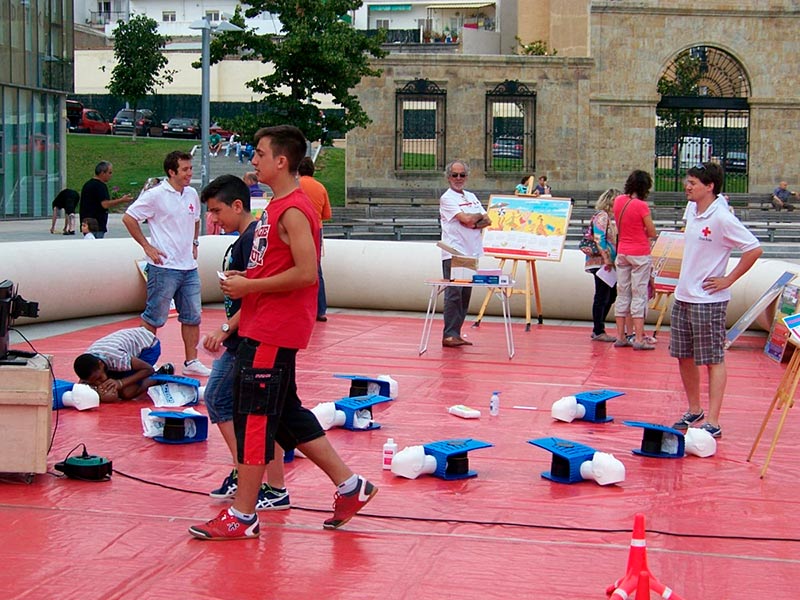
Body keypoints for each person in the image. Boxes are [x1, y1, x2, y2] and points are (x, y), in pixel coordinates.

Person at [188, 125, 377, 541]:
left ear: (281, 161)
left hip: (273, 332)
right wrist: (248, 279)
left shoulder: (293, 209)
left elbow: (307, 273)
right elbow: (277, 267)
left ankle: (243, 514)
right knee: (286, 416)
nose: (252, 160)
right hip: (262, 325)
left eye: (258, 153)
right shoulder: (274, 207)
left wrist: (249, 286)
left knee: (253, 419)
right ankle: (351, 486)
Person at [200, 174, 290, 510]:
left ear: (238, 205)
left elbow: (259, 292)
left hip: (250, 338)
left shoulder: (253, 239)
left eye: (217, 210)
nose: (214, 219)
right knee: (272, 412)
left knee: (223, 400)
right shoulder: (250, 237)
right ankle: (267, 481)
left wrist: (225, 329)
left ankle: (251, 474)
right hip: (251, 335)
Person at [670, 162, 762, 438]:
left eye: (694, 183)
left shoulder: (722, 218)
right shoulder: (692, 209)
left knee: (712, 359)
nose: (688, 186)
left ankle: (713, 419)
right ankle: (694, 407)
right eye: (688, 181)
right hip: (684, 294)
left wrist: (728, 279)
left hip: (708, 300)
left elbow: (754, 249)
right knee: (683, 355)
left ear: (710, 187)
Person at [122, 150, 212, 377]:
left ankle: (191, 361)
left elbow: (196, 220)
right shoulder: (156, 195)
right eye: (185, 170)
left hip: (188, 267)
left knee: (193, 315)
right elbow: (129, 217)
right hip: (164, 267)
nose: (189, 173)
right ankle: (144, 362)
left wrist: (194, 242)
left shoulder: (191, 194)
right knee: (154, 316)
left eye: (190, 168)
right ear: (172, 172)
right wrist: (147, 246)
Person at [439, 160, 492, 348]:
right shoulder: (447, 198)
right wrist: (473, 219)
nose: (458, 178)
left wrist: (472, 220)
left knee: (464, 295)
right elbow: (466, 218)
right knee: (454, 294)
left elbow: (487, 220)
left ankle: (457, 332)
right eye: (455, 175)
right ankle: (449, 334)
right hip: (455, 252)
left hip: (472, 252)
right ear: (448, 177)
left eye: (462, 175)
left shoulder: (471, 195)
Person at [613, 170, 657, 351]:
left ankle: (621, 336)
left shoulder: (618, 201)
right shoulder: (641, 206)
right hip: (639, 252)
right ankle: (639, 338)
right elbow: (652, 231)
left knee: (622, 294)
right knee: (639, 295)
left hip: (622, 251)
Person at [72, 326, 172, 402]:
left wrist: (121, 383)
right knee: (109, 384)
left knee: (127, 393)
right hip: (121, 350)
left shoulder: (117, 358)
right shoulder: (89, 363)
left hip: (149, 346)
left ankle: (159, 376)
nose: (98, 383)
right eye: (93, 381)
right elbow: (82, 383)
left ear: (100, 364)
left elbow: (148, 369)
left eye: (98, 378)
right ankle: (132, 370)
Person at [298, 156, 332, 322]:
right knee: (316, 269)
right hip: (316, 229)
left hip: (297, 228)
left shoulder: (295, 186)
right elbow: (327, 214)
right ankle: (320, 309)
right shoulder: (320, 187)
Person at [584, 189, 620, 342]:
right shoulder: (602, 217)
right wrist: (606, 258)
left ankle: (598, 327)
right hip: (600, 262)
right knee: (603, 295)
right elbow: (599, 238)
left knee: (609, 294)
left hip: (604, 262)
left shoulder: (608, 218)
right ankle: (598, 329)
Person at [79, 161, 132, 238]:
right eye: (109, 173)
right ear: (102, 173)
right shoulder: (100, 186)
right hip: (97, 225)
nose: (111, 175)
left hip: (87, 224)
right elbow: (105, 204)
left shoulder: (87, 184)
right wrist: (122, 200)